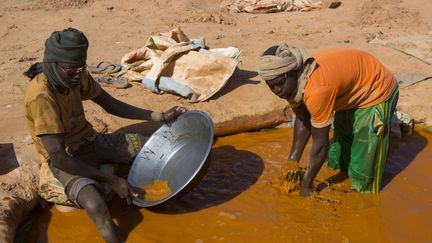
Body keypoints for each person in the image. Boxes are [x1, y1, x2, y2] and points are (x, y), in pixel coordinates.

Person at [23, 28, 187, 243]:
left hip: (92, 141)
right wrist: (112, 180)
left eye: (80, 68)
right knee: (95, 204)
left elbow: (110, 104)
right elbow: (59, 158)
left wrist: (158, 116)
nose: (77, 74)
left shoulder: (76, 75)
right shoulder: (42, 97)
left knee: (153, 149)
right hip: (68, 158)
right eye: (70, 69)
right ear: (52, 64)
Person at [256, 44, 398, 197]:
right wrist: (292, 162)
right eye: (271, 86)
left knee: (364, 164)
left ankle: (362, 198)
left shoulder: (317, 89)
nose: (277, 90)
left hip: (376, 90)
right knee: (338, 158)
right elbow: (303, 119)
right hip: (350, 90)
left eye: (279, 84)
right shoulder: (291, 85)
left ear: (292, 73)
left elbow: (320, 143)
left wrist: (306, 185)